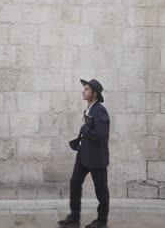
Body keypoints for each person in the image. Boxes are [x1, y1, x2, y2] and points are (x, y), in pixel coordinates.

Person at [59, 79, 110, 228]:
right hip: (83, 155)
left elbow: (100, 134)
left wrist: (83, 129)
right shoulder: (89, 108)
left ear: (94, 93)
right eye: (84, 89)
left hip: (96, 158)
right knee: (75, 183)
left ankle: (102, 221)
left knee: (101, 190)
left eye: (86, 89)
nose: (83, 91)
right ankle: (74, 218)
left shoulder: (100, 110)